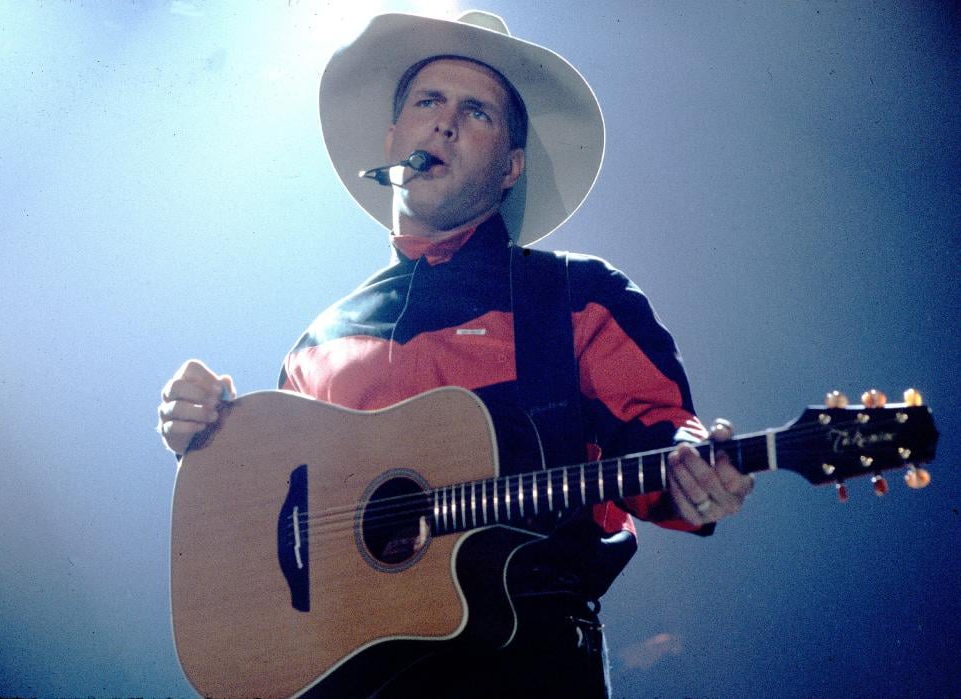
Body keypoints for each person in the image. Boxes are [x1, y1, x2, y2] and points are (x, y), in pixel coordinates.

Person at [157, 11, 754, 698]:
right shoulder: (318, 343)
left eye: (476, 112)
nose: (443, 123)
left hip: (528, 672)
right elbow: (270, 523)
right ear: (392, 138)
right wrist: (204, 434)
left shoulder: (575, 296)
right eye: (426, 102)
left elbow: (665, 441)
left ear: (512, 167)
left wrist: (698, 473)